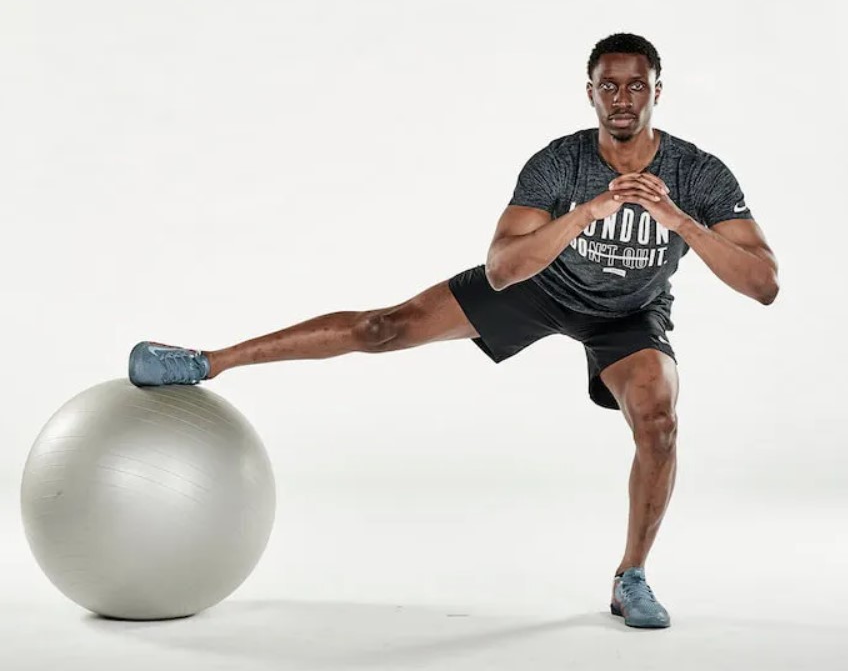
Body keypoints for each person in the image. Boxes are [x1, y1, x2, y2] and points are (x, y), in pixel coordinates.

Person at [128, 32, 779, 629]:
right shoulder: (559, 165)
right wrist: (593, 209)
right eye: (609, 85)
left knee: (659, 420)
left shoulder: (698, 174)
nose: (622, 98)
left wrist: (677, 218)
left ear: (656, 92)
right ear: (590, 92)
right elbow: (501, 271)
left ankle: (630, 577)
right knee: (385, 327)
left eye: (636, 85)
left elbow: (764, 284)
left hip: (629, 314)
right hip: (542, 286)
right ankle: (207, 361)